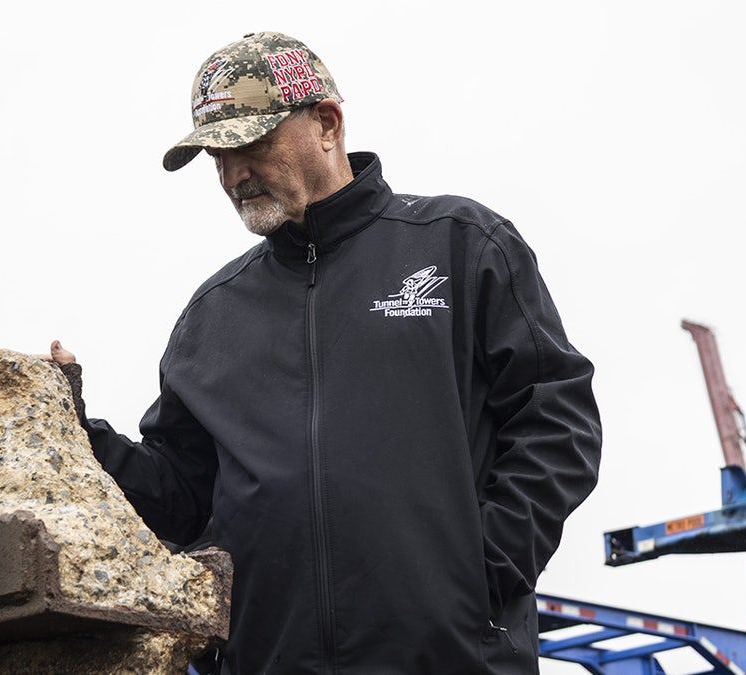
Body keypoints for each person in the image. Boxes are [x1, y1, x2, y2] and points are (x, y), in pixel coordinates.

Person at [46, 31, 601, 674]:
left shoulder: (460, 247)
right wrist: (73, 431)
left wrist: (481, 571)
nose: (232, 175)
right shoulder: (212, 316)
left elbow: (557, 420)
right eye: (215, 156)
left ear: (327, 123)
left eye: (248, 144)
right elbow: (182, 495)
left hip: (449, 657)